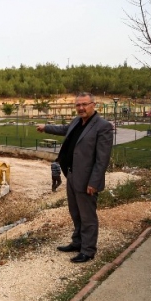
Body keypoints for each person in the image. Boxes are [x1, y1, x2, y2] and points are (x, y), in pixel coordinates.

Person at [37, 92, 113, 263]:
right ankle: (77, 242)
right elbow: (64, 130)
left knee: (88, 216)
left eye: (84, 104)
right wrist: (46, 127)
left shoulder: (103, 126)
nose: (81, 108)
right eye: (78, 105)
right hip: (71, 175)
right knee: (75, 213)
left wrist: (94, 182)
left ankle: (88, 250)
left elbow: (102, 160)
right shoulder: (76, 122)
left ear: (94, 105)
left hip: (87, 180)